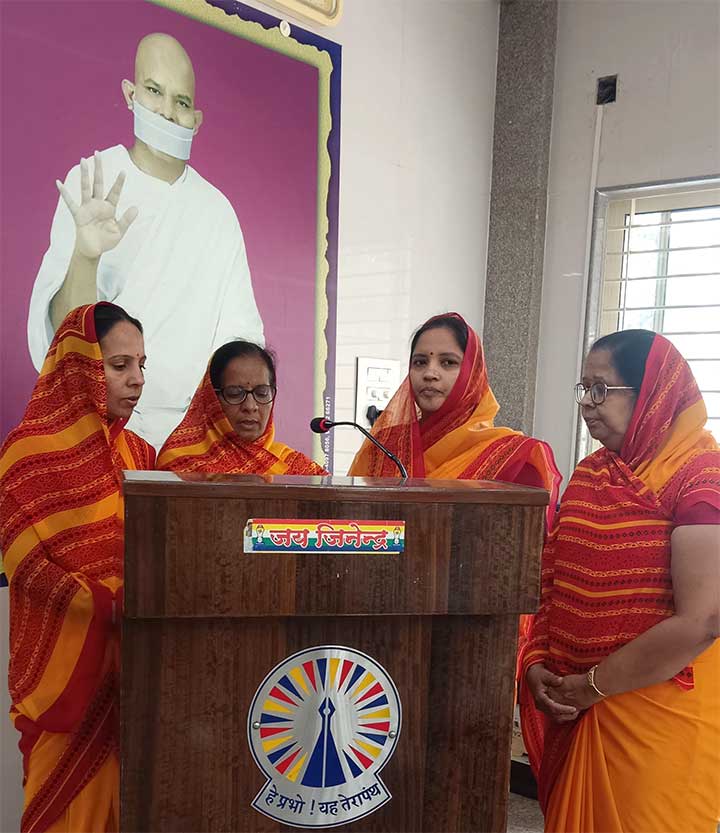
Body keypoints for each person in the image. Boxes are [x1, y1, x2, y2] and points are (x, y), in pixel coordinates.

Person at [520, 329, 720, 833]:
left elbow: (703, 619)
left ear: (653, 391)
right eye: (583, 389)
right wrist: (537, 659)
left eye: (601, 389)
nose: (587, 404)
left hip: (656, 715)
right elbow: (553, 579)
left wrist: (592, 686)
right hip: (573, 707)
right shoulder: (592, 472)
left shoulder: (701, 478)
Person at [27, 32, 264, 449]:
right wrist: (86, 255)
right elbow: (62, 341)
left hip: (191, 436)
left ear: (196, 119)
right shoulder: (93, 180)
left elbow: (240, 338)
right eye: (154, 92)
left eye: (181, 102)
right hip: (101, 426)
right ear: (130, 95)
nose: (167, 113)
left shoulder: (217, 212)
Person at [0, 303, 155, 832]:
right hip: (65, 673)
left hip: (134, 673)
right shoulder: (26, 454)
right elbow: (24, 564)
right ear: (78, 367)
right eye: (119, 365)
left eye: (141, 365)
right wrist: (106, 603)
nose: (136, 380)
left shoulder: (141, 456)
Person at [349, 313, 561, 513]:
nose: (430, 373)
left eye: (448, 362)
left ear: (472, 374)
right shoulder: (383, 446)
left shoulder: (513, 458)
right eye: (420, 362)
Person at [157, 340, 327, 476]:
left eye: (262, 393)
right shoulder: (179, 466)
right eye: (235, 394)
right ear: (211, 400)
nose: (250, 406)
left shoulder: (295, 469)